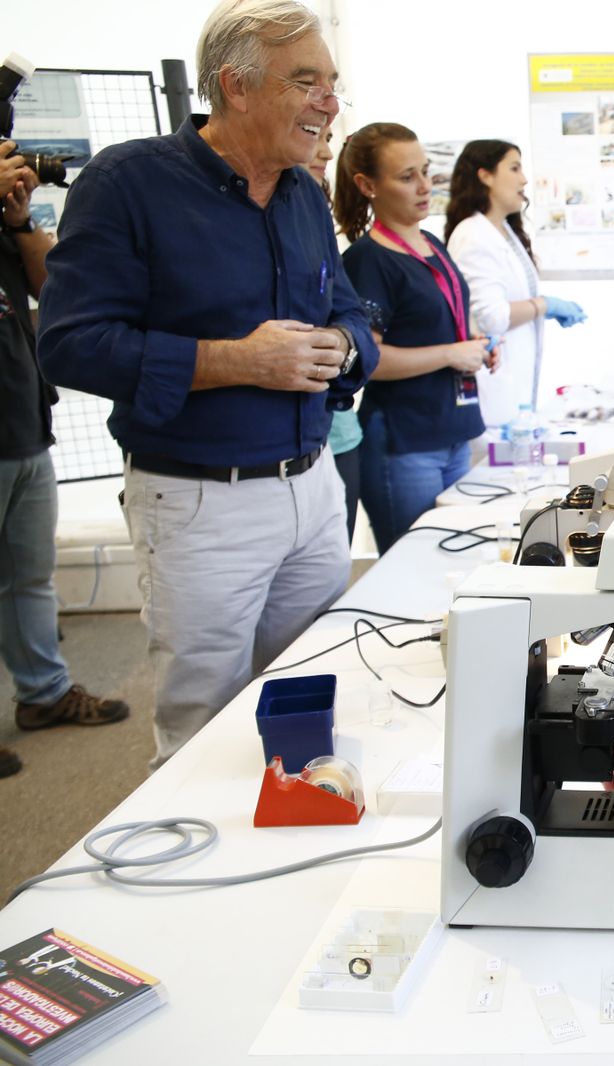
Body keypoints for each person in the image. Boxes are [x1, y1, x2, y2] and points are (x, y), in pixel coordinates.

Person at [37, 0, 375, 769]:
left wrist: (342, 344)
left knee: (313, 695)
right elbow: (69, 346)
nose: (330, 103)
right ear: (236, 86)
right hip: (198, 503)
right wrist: (235, 361)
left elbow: (352, 315)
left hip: (314, 488)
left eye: (333, 83)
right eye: (307, 82)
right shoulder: (127, 184)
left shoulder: (302, 195)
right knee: (204, 726)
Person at [0, 144, 130, 780]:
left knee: (30, 576)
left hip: (22, 424)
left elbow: (52, 291)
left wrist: (20, 221)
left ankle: (44, 693)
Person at [335, 123, 497, 553]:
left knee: (458, 563)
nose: (425, 186)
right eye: (407, 177)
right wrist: (451, 353)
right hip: (405, 443)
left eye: (425, 171)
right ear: (367, 185)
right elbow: (368, 359)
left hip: (453, 433)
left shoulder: (430, 243)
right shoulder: (368, 261)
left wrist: (474, 343)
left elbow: (433, 322)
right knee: (416, 565)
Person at [445, 139, 584, 430]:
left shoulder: (503, 230)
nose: (524, 179)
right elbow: (492, 317)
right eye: (514, 168)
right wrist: (544, 305)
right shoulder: (473, 235)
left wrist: (542, 307)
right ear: (485, 176)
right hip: (493, 393)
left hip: (516, 390)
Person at [303, 123, 363, 543]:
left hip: (338, 429)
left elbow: (350, 320)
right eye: (316, 137)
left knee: (332, 557)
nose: (326, 153)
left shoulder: (314, 220)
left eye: (328, 139)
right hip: (292, 436)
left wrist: (343, 341)